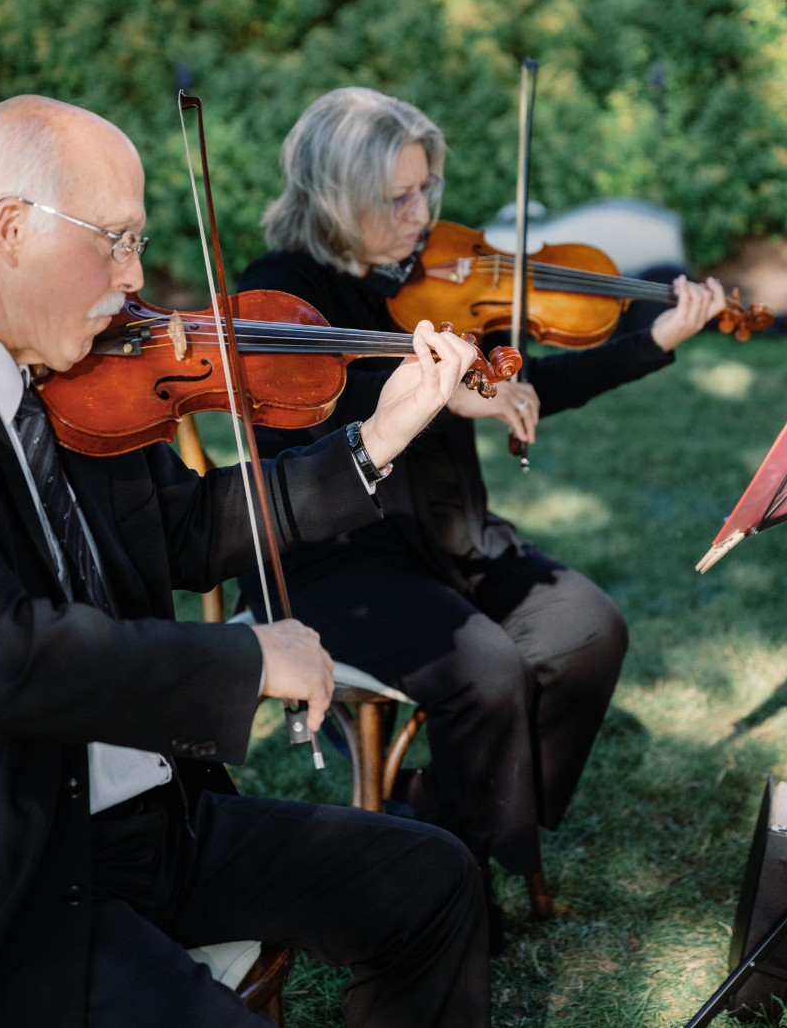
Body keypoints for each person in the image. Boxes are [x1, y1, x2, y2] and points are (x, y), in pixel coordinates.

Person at [0, 94, 490, 1028]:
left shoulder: (71, 389)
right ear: (12, 228)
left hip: (153, 822)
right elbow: (7, 656)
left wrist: (374, 440)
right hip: (23, 876)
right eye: (116, 240)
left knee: (434, 878)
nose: (135, 281)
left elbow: (194, 527)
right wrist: (249, 657)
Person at [237, 86, 728, 950]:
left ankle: (440, 810)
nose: (423, 213)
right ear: (333, 194)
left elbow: (530, 380)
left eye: (427, 188)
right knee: (486, 669)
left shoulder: (441, 278)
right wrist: (432, 395)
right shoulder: (280, 293)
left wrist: (651, 343)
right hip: (334, 556)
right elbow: (310, 404)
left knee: (589, 629)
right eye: (398, 197)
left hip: (450, 537)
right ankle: (446, 882)